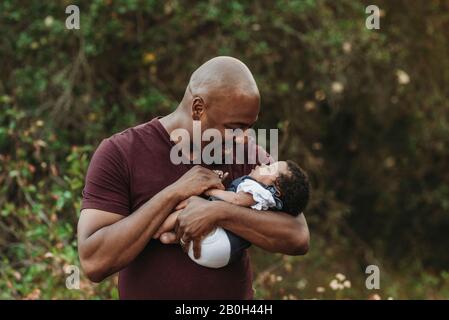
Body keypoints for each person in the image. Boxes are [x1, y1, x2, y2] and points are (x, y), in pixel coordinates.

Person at [77, 56, 310, 299]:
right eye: (234, 127)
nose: (243, 137)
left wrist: (218, 213)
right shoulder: (122, 153)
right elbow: (94, 261)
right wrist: (174, 192)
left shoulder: (247, 154)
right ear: (198, 109)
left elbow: (297, 236)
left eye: (249, 127)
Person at [154, 161, 310, 269]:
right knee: (196, 213)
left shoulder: (259, 192)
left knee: (191, 204)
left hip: (220, 245)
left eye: (269, 168)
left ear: (276, 189)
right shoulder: (271, 202)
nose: (263, 164)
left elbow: (235, 199)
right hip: (222, 253)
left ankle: (157, 228)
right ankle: (169, 237)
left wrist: (210, 190)